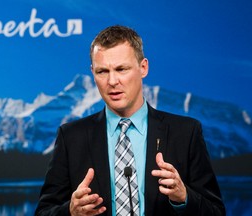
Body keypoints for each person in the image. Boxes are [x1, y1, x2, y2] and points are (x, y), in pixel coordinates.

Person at [35, 25, 226, 216]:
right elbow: (44, 212)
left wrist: (184, 197)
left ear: (143, 68)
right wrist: (70, 211)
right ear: (93, 72)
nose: (112, 81)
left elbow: (216, 212)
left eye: (121, 69)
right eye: (102, 72)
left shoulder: (186, 132)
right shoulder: (71, 137)